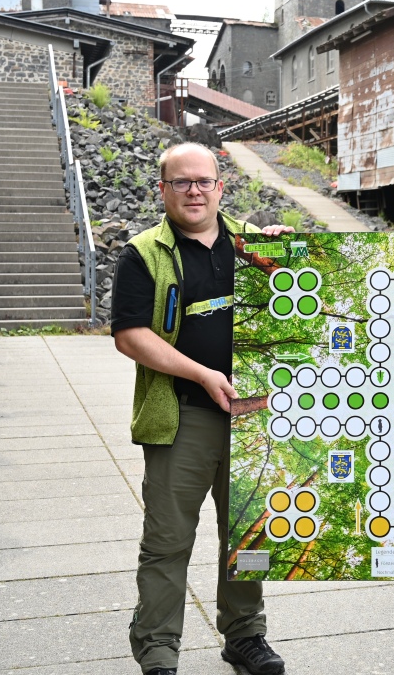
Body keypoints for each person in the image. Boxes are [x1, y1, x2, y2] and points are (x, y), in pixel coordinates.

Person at [111, 142, 293, 675]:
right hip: (184, 415)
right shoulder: (143, 253)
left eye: (203, 181)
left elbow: (309, 302)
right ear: (162, 189)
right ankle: (158, 649)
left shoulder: (256, 244)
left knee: (250, 536)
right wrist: (202, 374)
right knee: (168, 539)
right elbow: (129, 335)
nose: (194, 190)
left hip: (255, 420)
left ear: (220, 187)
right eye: (181, 182)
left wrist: (292, 252)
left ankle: (245, 634)